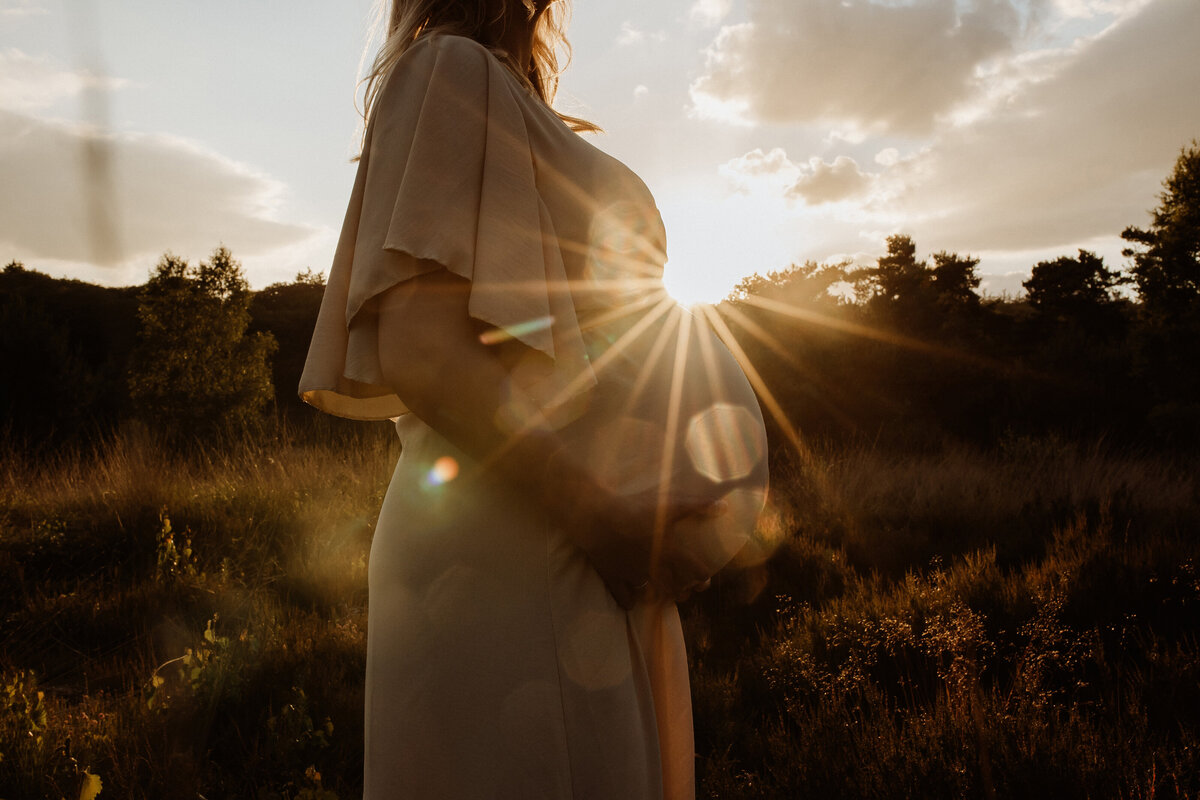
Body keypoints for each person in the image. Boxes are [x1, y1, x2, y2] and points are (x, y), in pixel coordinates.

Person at [299, 0, 767, 796]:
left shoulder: (505, 92)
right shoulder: (446, 66)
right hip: (529, 549)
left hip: (580, 548)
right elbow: (423, 346)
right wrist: (597, 514)